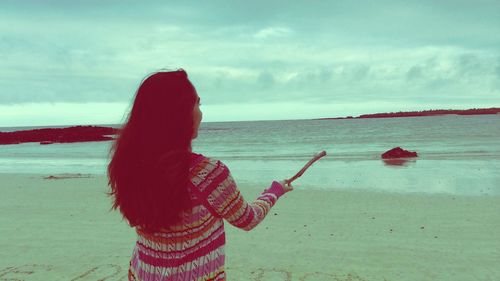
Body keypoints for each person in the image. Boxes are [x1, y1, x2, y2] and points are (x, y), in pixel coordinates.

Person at [107, 69, 293, 281]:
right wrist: (274, 192)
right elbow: (247, 219)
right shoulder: (207, 174)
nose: (200, 113)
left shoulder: (129, 166)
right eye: (197, 104)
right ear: (178, 114)